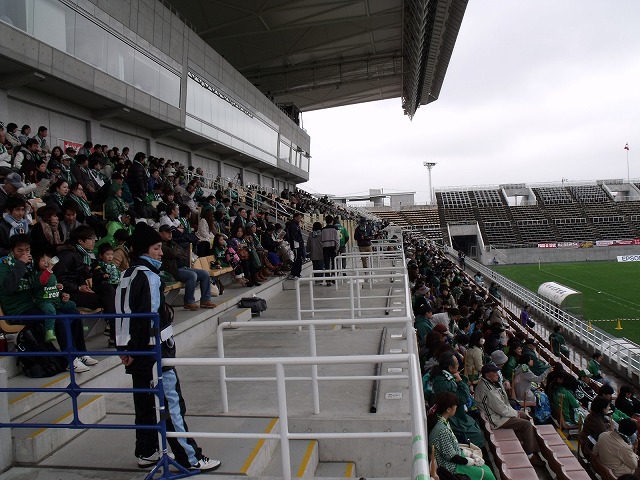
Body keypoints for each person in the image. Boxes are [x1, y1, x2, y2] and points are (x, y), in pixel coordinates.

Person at [115, 222, 221, 471]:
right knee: (171, 404)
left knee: (144, 403)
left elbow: (120, 314)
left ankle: (147, 451)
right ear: (144, 250)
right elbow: (149, 319)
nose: (161, 253)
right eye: (156, 248)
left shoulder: (126, 275)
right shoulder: (150, 277)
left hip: (134, 351)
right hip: (155, 351)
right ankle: (190, 458)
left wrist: (125, 349)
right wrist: (142, 349)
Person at [474, 364, 544, 465]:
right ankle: (530, 455)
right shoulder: (487, 389)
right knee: (526, 424)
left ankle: (528, 446)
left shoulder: (489, 383)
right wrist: (515, 413)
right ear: (487, 375)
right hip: (496, 419)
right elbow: (501, 409)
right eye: (494, 372)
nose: (497, 374)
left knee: (524, 416)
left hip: (497, 415)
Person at [427, 391, 496, 480]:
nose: (456, 407)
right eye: (454, 405)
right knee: (488, 475)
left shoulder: (441, 421)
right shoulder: (442, 430)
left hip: (454, 458)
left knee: (486, 468)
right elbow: (451, 456)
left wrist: (470, 455)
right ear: (448, 409)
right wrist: (470, 461)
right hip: (450, 467)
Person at [431, 352, 485, 447]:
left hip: (456, 414)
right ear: (450, 367)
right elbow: (462, 398)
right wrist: (460, 381)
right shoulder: (445, 383)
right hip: (454, 418)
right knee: (477, 434)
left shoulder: (446, 378)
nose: (459, 365)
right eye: (457, 363)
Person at [158, 225, 217, 311]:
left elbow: (185, 253)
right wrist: (177, 254)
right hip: (172, 271)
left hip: (183, 267)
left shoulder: (172, 243)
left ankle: (205, 300)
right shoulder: (160, 245)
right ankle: (189, 301)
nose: (170, 234)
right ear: (161, 233)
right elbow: (172, 253)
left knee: (205, 274)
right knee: (192, 275)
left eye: (170, 232)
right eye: (167, 232)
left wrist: (177, 253)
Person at [320, 214, 339, 283]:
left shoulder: (323, 230)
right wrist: (337, 248)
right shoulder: (335, 228)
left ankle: (327, 279)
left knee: (326, 263)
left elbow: (321, 239)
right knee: (334, 263)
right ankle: (333, 277)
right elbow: (337, 239)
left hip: (325, 247)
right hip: (333, 247)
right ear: (332, 221)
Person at [286, 212, 304, 279]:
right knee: (296, 259)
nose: (300, 219)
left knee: (299, 259)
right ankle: (294, 273)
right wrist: (300, 240)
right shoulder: (293, 225)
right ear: (295, 217)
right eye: (299, 217)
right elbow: (294, 235)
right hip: (296, 245)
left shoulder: (296, 224)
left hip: (298, 244)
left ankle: (297, 273)